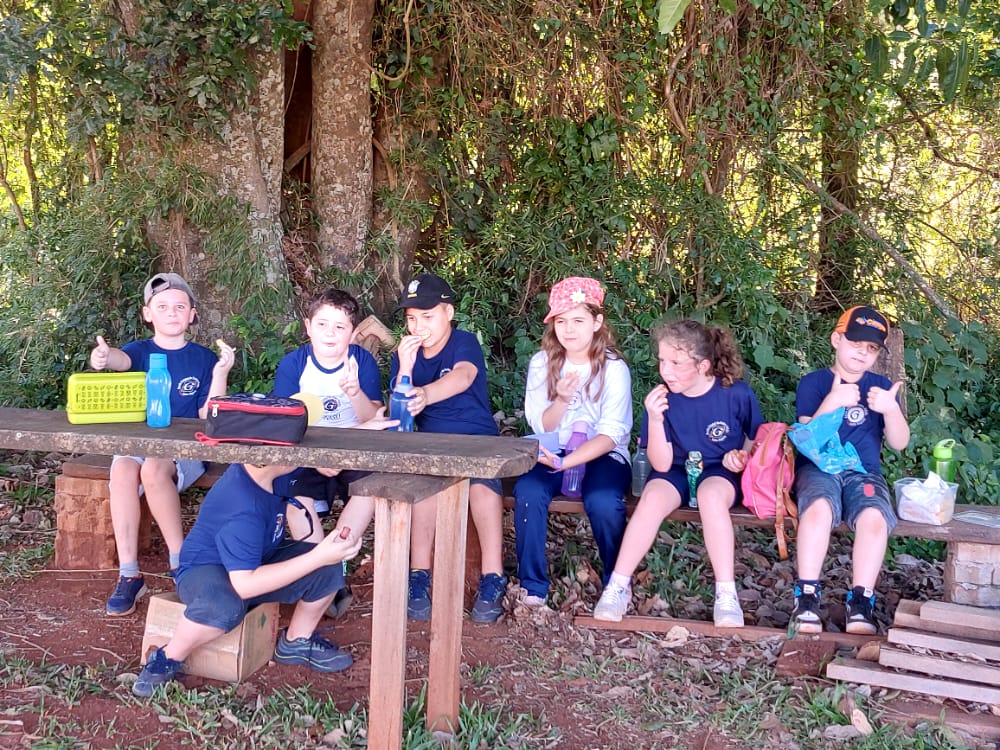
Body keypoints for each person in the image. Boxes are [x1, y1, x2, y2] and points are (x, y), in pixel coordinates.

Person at [132, 462, 368, 697]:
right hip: (205, 569)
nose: (297, 458)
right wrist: (317, 557)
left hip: (257, 557)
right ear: (270, 461)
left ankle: (296, 641)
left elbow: (306, 459)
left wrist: (320, 462)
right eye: (292, 455)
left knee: (327, 566)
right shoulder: (242, 506)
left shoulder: (272, 472)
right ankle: (167, 658)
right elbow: (245, 585)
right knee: (223, 606)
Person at [592, 319, 762, 628]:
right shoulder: (662, 399)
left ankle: (726, 594)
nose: (665, 371)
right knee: (652, 499)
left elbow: (755, 436)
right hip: (675, 469)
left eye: (676, 363)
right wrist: (655, 419)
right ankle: (617, 586)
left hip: (718, 470)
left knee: (711, 497)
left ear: (703, 366)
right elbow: (661, 464)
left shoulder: (735, 394)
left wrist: (742, 457)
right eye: (662, 361)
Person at [90, 273, 234, 616]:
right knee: (123, 470)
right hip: (140, 443)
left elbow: (209, 414)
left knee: (154, 470)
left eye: (180, 307)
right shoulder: (139, 351)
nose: (172, 313)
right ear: (147, 313)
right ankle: (129, 574)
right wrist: (104, 358)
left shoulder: (202, 358)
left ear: (192, 315)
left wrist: (221, 373)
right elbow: (120, 361)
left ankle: (181, 562)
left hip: (185, 448)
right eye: (163, 306)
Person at [390, 272, 507, 624]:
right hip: (430, 442)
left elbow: (464, 376)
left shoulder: (463, 341)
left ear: (449, 313)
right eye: (411, 319)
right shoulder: (405, 354)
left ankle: (493, 577)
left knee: (482, 489)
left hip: (476, 437)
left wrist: (426, 394)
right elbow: (398, 412)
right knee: (424, 490)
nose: (418, 326)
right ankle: (418, 576)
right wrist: (406, 368)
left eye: (427, 316)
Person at [514, 277, 633, 609]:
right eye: (561, 321)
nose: (569, 330)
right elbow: (542, 425)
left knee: (604, 499)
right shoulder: (543, 363)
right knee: (529, 491)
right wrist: (562, 400)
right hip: (555, 447)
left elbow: (611, 435)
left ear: (597, 322)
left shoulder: (614, 368)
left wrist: (567, 463)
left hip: (602, 453)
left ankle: (616, 582)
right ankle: (533, 586)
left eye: (578, 320)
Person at [790, 305, 909, 635]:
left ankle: (860, 602)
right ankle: (807, 596)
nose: (862, 352)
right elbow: (806, 437)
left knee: (874, 517)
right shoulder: (814, 383)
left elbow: (899, 443)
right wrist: (832, 401)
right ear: (836, 340)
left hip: (863, 472)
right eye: (855, 342)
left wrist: (890, 410)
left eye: (871, 348)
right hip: (818, 468)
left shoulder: (881, 386)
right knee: (818, 509)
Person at [271, 287, 383, 517]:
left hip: (354, 448)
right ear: (308, 327)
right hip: (306, 450)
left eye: (340, 327)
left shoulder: (362, 361)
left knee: (369, 493)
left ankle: (342, 540)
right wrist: (315, 458)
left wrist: (355, 393)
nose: (330, 333)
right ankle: (318, 542)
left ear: (353, 334)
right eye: (322, 324)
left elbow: (375, 420)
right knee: (298, 505)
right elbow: (282, 424)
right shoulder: (294, 364)